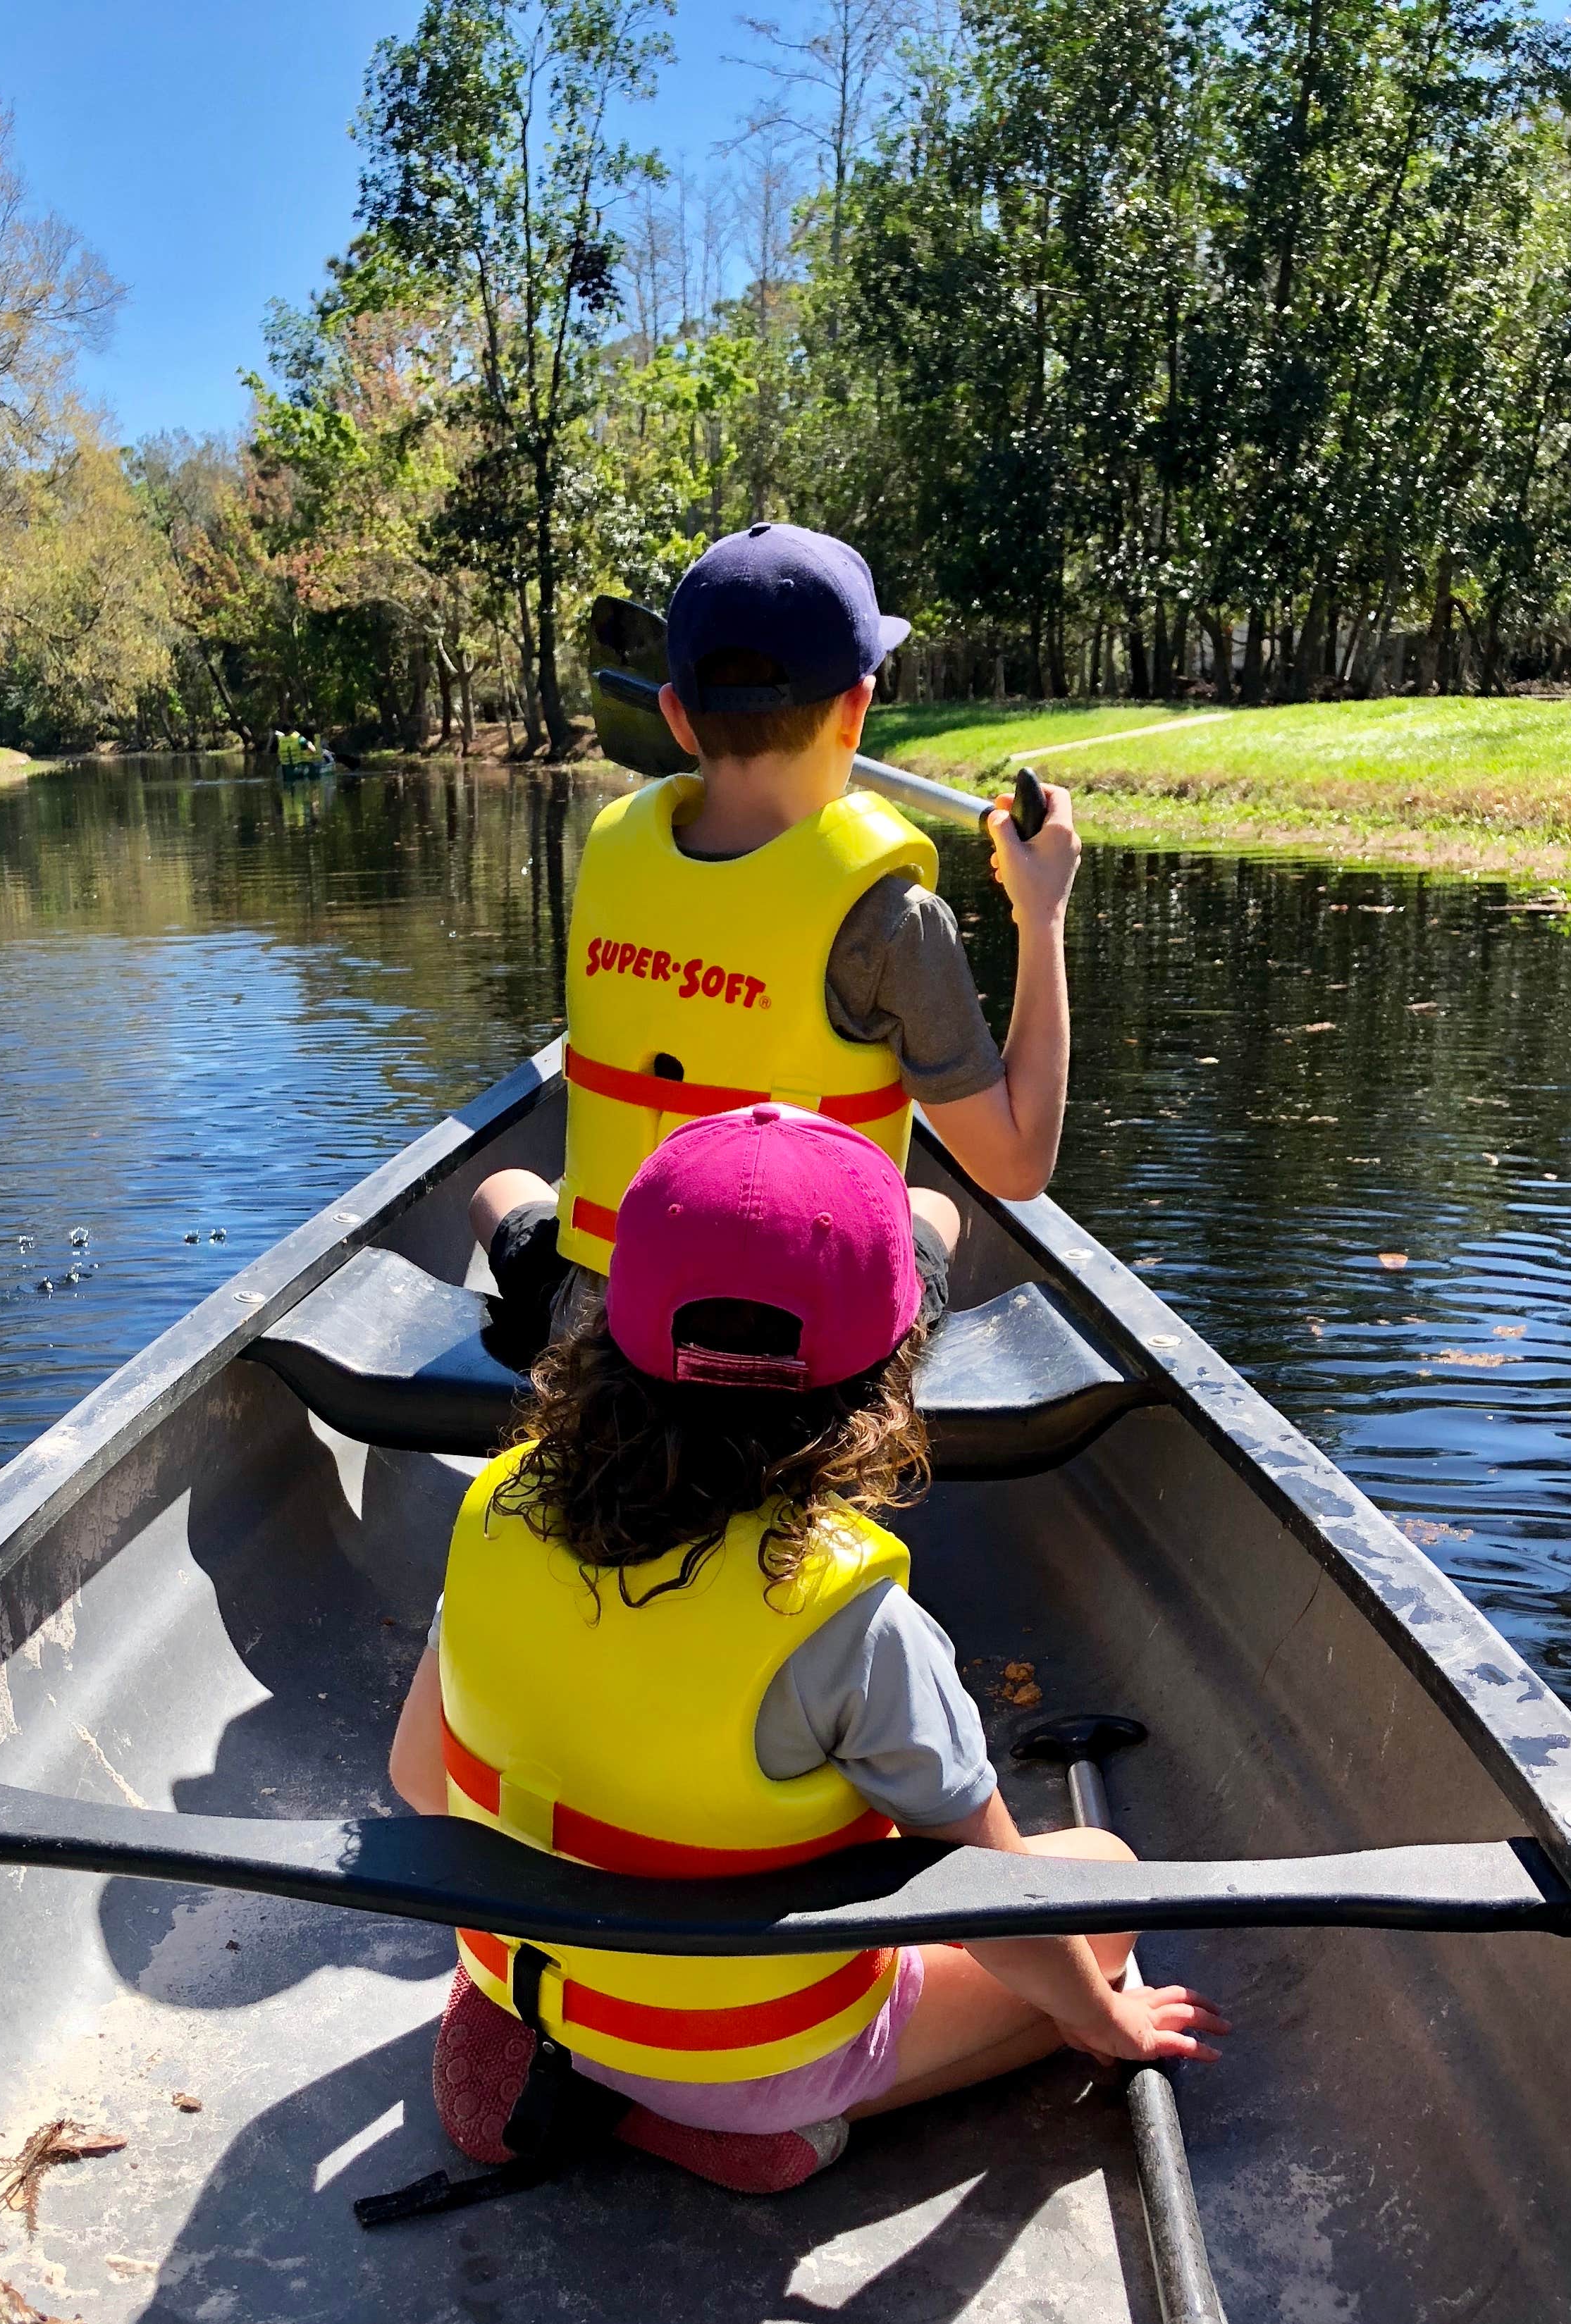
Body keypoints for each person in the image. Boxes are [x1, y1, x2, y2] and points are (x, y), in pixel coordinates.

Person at [390, 1104, 1224, 2196]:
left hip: (534, 1981)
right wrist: (1102, 2020)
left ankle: (564, 2065)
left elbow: (418, 1784)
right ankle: (750, 2129)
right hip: (752, 2056)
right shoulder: (852, 1618)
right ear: (891, 1367)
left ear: (610, 1329)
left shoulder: (497, 1509)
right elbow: (989, 1901)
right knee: (1102, 1893)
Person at [475, 521, 1081, 1366]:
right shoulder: (891, 918)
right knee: (935, 1210)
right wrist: (1041, 913)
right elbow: (1016, 1166)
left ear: (678, 716)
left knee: (497, 1191)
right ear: (858, 707)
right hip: (816, 1341)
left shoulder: (615, 860)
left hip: (615, 1324)